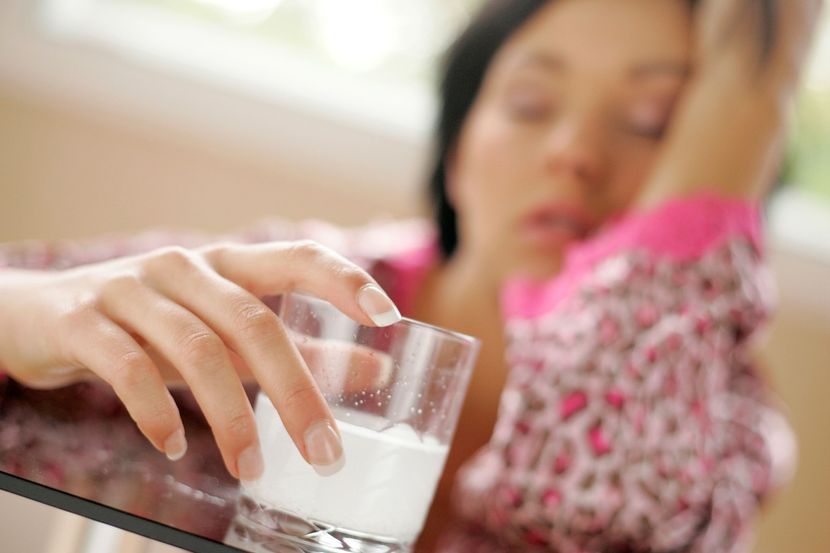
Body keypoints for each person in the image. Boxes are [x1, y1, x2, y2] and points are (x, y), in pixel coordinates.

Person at [0, 0, 820, 550]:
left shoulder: (726, 436)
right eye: (530, 105)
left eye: (657, 124)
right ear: (458, 152)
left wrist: (760, 81)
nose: (575, 152)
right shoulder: (294, 288)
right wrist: (24, 314)